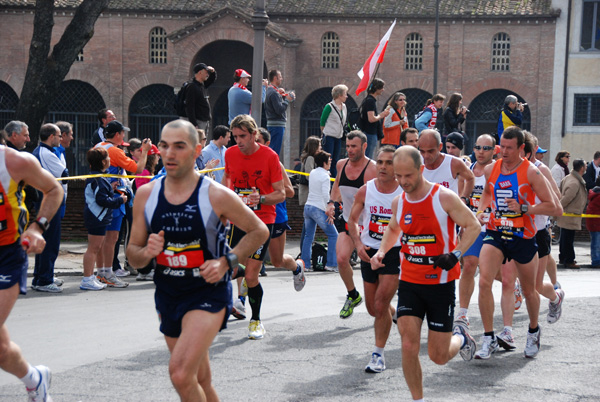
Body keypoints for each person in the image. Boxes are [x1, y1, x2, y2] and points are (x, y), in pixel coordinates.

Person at [126, 119, 269, 401]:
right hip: (168, 294)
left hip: (208, 293)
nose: (169, 153)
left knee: (180, 373)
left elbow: (259, 230)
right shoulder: (145, 195)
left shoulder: (216, 195)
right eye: (165, 146)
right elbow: (134, 257)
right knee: (200, 379)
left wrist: (227, 261)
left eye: (179, 146)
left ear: (196, 150)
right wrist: (147, 252)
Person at [371, 146, 480, 401]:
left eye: (407, 176)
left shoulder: (444, 197)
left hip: (440, 284)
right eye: (398, 176)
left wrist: (455, 254)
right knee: (408, 345)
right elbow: (394, 229)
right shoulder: (400, 201)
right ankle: (417, 399)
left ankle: (461, 338)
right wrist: (381, 252)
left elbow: (473, 226)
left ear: (421, 169)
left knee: (438, 356)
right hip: (409, 281)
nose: (402, 182)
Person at [475, 126, 557, 359]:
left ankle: (533, 330)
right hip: (496, 231)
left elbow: (551, 205)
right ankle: (489, 337)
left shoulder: (532, 172)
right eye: (503, 147)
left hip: (523, 235)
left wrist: (525, 208)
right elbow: (488, 193)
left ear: (522, 148)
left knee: (530, 290)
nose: (505, 152)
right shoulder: (492, 168)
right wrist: (482, 211)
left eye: (510, 148)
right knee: (484, 282)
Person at [222, 114, 305, 339]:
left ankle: (256, 321)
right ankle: (228, 304)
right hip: (239, 218)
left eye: (243, 136)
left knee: (253, 274)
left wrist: (260, 199)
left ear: (254, 134)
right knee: (229, 266)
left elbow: (283, 193)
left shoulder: (270, 156)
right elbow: (226, 183)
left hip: (262, 221)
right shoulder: (230, 154)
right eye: (235, 137)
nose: (238, 141)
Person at [0, 143, 63, 401]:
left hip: (5, 256)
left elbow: (54, 189)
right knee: (2, 351)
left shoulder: (13, 161)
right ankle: (34, 380)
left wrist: (37, 227)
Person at [347, 146, 403, 373]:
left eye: (389, 163)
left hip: (394, 252)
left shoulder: (404, 192)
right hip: (369, 251)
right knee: (372, 308)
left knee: (380, 305)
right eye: (380, 162)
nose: (382, 166)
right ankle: (396, 314)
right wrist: (358, 245)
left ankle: (378, 355)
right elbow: (352, 220)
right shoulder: (365, 190)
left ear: (398, 166)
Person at [95, 120, 151, 287]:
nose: (124, 136)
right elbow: (139, 169)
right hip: (114, 197)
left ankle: (102, 273)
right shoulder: (115, 151)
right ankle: (107, 273)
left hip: (100, 195)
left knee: (104, 237)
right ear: (118, 134)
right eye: (123, 133)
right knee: (111, 237)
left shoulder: (98, 146)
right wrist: (145, 151)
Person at [330, 130, 377, 318]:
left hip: (369, 225)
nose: (349, 150)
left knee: (374, 266)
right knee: (341, 259)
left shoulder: (372, 169)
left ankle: (383, 303)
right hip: (349, 220)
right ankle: (353, 295)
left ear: (364, 147)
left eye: (353, 146)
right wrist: (331, 203)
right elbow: (336, 186)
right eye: (347, 146)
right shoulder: (341, 164)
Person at [455, 134, 496, 328]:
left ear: (494, 150)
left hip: (495, 228)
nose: (481, 151)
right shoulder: (467, 171)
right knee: (470, 265)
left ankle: (514, 284)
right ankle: (463, 313)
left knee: (492, 272)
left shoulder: (498, 170)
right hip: (473, 227)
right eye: (478, 147)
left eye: (486, 148)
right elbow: (460, 199)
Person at [81, 147, 128, 290]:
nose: (109, 160)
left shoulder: (99, 178)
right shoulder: (99, 179)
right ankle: (87, 279)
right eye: (107, 158)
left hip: (98, 217)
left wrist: (110, 188)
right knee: (93, 248)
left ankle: (90, 277)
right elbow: (102, 200)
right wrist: (120, 200)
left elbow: (101, 195)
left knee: (95, 247)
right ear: (102, 162)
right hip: (97, 217)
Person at [31, 123, 69, 293]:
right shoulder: (45, 153)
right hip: (49, 203)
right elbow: (64, 175)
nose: (61, 139)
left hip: (49, 202)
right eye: (59, 135)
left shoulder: (49, 152)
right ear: (51, 136)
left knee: (46, 240)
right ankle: (44, 280)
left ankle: (41, 276)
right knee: (50, 242)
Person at [127, 139, 161, 281]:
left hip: (147, 211)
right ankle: (145, 270)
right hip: (145, 212)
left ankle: (145, 270)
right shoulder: (145, 173)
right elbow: (143, 192)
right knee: (146, 240)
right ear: (152, 157)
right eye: (157, 155)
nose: (159, 158)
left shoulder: (150, 172)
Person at [301, 151, 338, 272]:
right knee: (333, 235)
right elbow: (325, 196)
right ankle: (331, 264)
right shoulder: (325, 176)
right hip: (318, 208)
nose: (331, 161)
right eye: (329, 160)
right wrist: (329, 210)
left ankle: (305, 264)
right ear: (324, 162)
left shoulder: (313, 172)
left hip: (308, 207)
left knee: (308, 237)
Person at [419, 129, 474, 200]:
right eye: (422, 151)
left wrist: (464, 198)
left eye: (430, 151)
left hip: (448, 210)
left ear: (440, 147)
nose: (426, 156)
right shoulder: (415, 162)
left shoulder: (453, 163)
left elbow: (470, 178)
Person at [557, 158, 588, 268]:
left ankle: (563, 258)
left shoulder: (569, 178)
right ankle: (569, 260)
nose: (586, 167)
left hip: (568, 214)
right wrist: (558, 208)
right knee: (568, 239)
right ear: (581, 168)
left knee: (565, 238)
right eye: (585, 165)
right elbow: (566, 198)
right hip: (569, 214)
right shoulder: (574, 182)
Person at [264, 69, 295, 156]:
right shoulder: (273, 93)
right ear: (275, 78)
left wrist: (282, 96)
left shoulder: (271, 91)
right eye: (280, 77)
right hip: (276, 125)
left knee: (273, 148)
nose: (281, 79)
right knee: (274, 150)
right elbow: (279, 110)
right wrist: (287, 100)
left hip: (274, 124)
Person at [320, 84, 348, 177]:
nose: (346, 96)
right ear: (339, 95)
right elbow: (322, 122)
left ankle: (334, 178)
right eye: (345, 94)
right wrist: (325, 132)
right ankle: (328, 177)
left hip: (338, 136)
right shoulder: (329, 106)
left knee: (336, 159)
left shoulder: (344, 107)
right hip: (329, 136)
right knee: (329, 158)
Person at [359, 78, 390, 159]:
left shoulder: (369, 99)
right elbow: (371, 119)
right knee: (368, 156)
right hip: (370, 132)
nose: (383, 90)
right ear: (377, 88)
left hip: (369, 132)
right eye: (382, 87)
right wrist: (382, 115)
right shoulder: (370, 101)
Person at [185, 63, 217, 133]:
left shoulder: (202, 85)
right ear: (200, 72)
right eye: (206, 72)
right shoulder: (192, 87)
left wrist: (213, 72)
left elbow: (211, 80)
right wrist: (194, 123)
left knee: (203, 142)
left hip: (204, 120)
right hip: (198, 121)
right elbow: (190, 106)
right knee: (198, 142)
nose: (207, 75)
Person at [586, 182, 600, 268]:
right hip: (596, 223)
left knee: (596, 242)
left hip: (593, 222)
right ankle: (596, 261)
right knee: (596, 243)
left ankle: (596, 260)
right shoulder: (598, 196)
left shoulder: (595, 193)